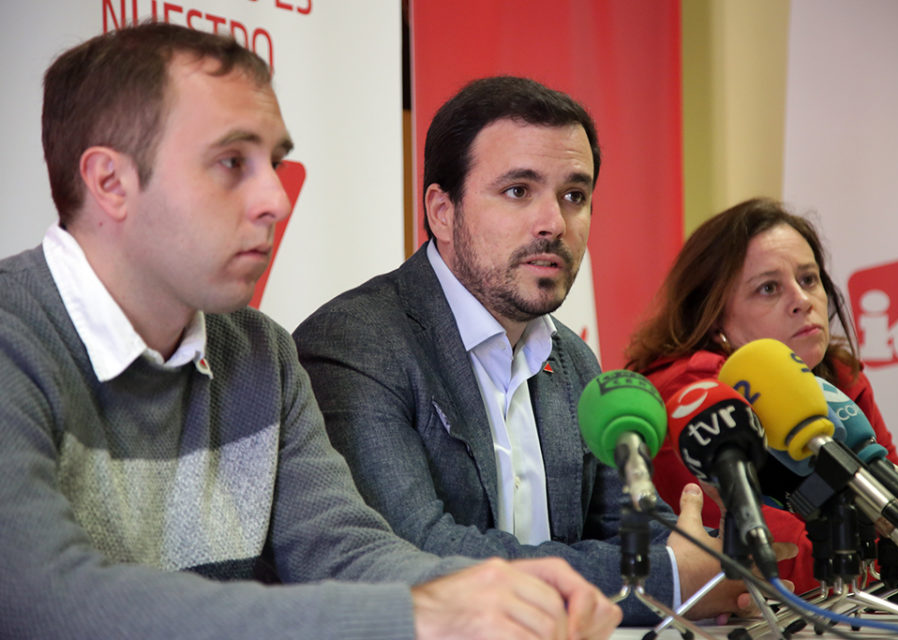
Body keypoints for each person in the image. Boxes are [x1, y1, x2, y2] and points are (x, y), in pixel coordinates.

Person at [0, 23, 624, 640]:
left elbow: (343, 551)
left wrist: (496, 596)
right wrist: (421, 614)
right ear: (110, 182)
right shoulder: (14, 335)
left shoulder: (257, 352)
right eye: (230, 162)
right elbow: (45, 599)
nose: (276, 196)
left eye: (274, 162)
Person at [294, 76, 785, 626]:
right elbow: (419, 555)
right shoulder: (358, 342)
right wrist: (669, 576)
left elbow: (628, 526)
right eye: (518, 191)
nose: (554, 223)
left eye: (575, 196)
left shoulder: (573, 359)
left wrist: (718, 561)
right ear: (441, 211)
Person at [624, 196, 898, 594]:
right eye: (769, 288)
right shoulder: (693, 398)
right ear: (714, 316)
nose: (802, 301)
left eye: (809, 280)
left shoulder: (839, 377)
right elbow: (779, 560)